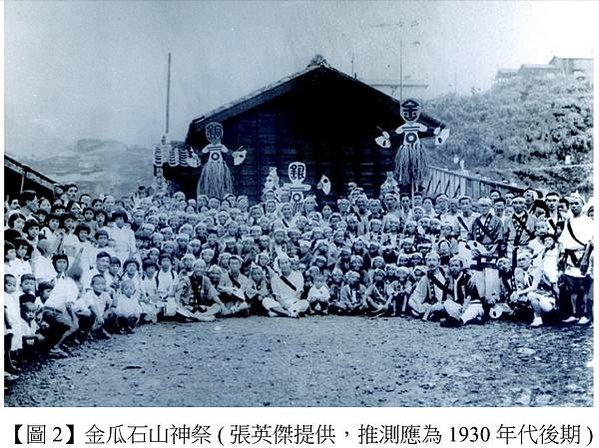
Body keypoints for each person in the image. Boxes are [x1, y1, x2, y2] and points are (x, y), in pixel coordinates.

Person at [558, 194, 593, 325]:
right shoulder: (568, 221)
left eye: (576, 203)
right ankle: (574, 314)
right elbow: (562, 241)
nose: (574, 206)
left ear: (582, 205)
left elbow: (591, 241)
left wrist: (585, 258)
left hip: (582, 255)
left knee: (583, 286)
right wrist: (561, 257)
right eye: (572, 204)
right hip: (569, 257)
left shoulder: (588, 221)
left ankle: (585, 314)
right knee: (572, 287)